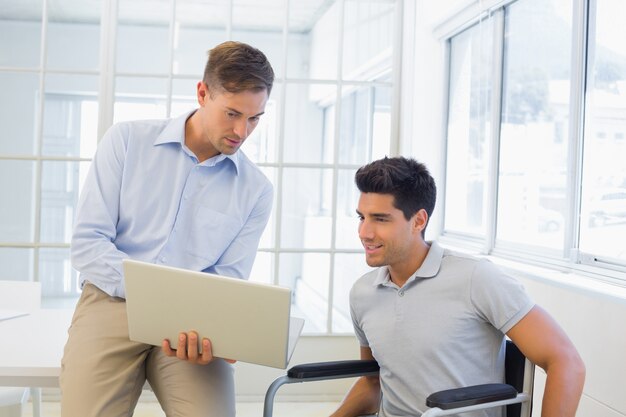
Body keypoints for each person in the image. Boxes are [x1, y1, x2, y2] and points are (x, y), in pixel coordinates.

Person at [61, 41, 275, 417]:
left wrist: (214, 325)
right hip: (111, 301)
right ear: (202, 93)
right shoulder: (126, 141)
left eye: (255, 118)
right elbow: (87, 243)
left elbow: (228, 276)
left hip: (191, 323)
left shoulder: (256, 190)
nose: (242, 131)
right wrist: (156, 295)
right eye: (232, 113)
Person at [330, 156, 586, 417]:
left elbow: (566, 362)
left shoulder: (476, 278)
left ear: (418, 221)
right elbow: (372, 383)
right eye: (362, 217)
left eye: (380, 219)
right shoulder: (363, 293)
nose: (365, 232)